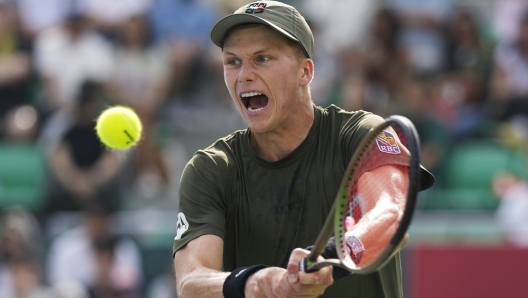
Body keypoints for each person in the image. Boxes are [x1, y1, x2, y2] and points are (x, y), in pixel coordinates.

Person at [172, 1, 435, 297]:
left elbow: (389, 216)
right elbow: (191, 282)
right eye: (233, 62)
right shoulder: (210, 169)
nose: (243, 74)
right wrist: (256, 283)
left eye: (262, 58)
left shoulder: (361, 133)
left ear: (305, 72)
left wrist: (330, 258)